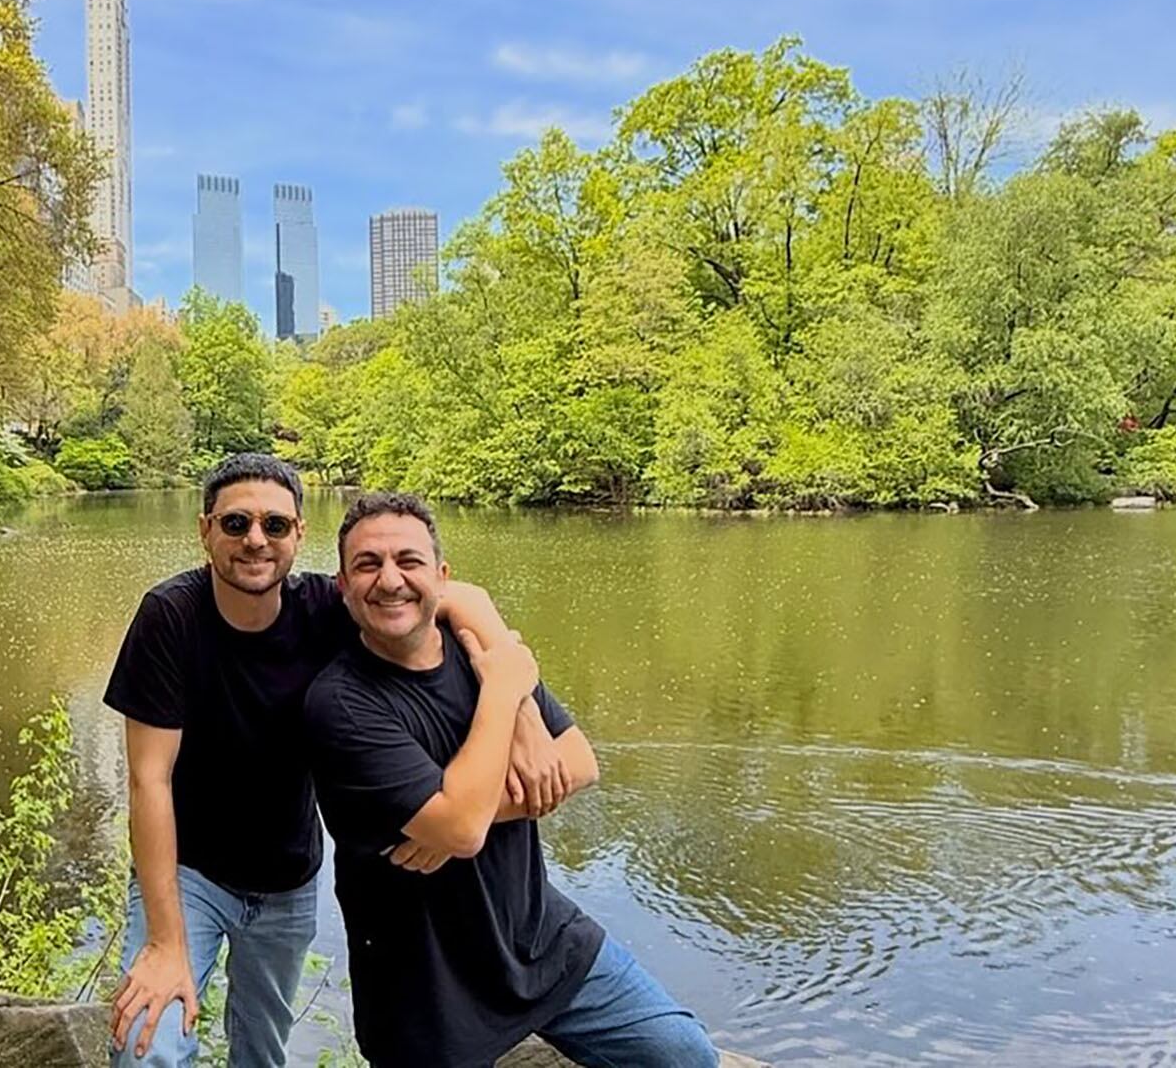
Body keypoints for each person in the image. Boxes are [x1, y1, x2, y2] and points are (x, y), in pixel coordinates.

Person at [103, 455, 566, 1067]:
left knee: (262, 1051)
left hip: (287, 878)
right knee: (149, 1046)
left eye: (274, 524)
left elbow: (463, 598)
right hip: (189, 873)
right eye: (236, 523)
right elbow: (149, 781)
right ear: (205, 531)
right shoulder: (171, 616)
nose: (255, 540)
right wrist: (166, 944)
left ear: (299, 533)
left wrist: (523, 715)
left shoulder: (326, 607)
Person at [303, 491, 719, 1068]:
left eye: (409, 561)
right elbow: (462, 830)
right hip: (424, 983)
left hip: (540, 937)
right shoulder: (341, 703)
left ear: (441, 577)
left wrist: (458, 814)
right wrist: (503, 693)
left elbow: (579, 763)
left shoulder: (479, 648)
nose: (390, 580)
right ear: (343, 585)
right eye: (368, 564)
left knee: (685, 1055)